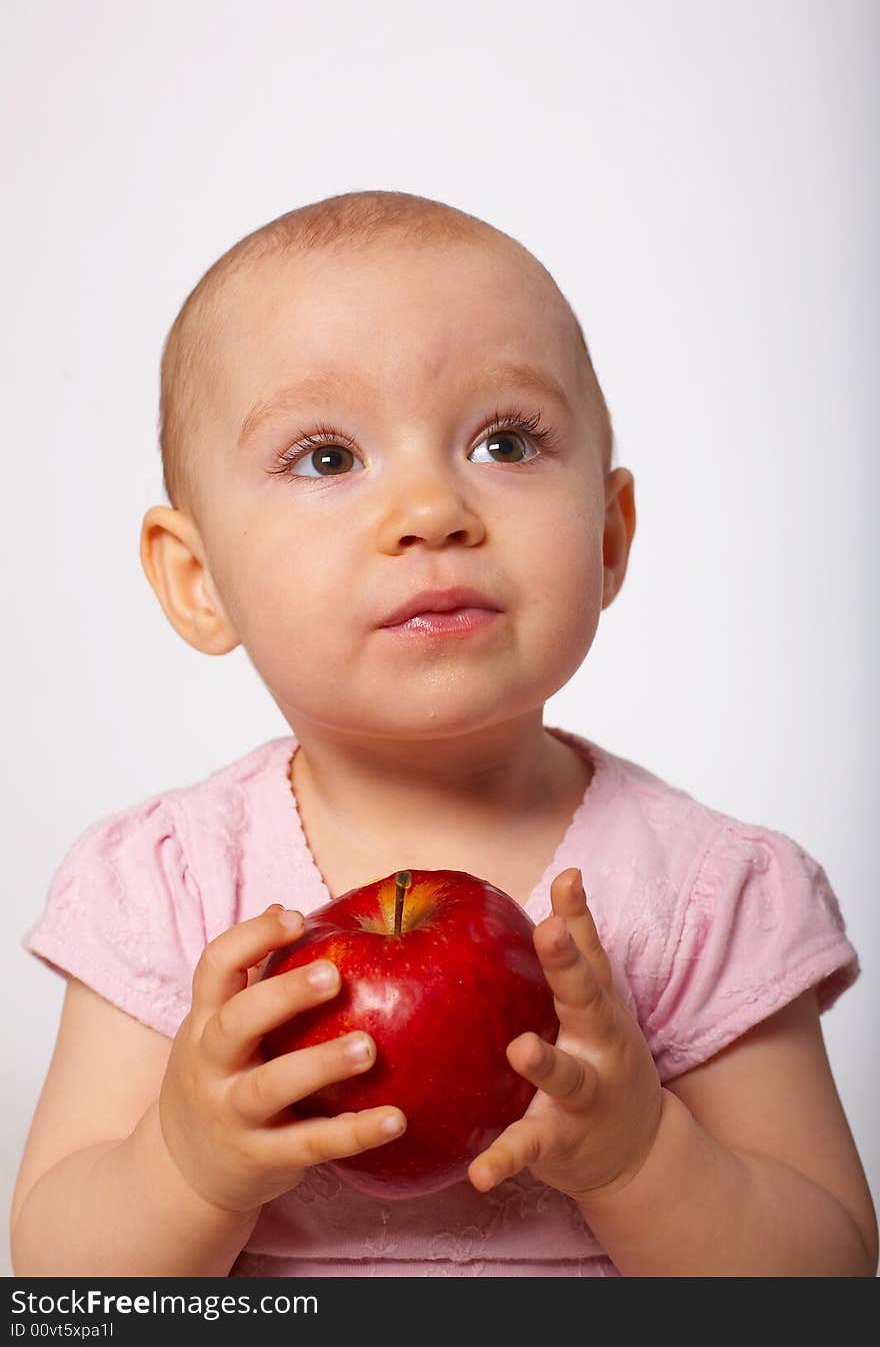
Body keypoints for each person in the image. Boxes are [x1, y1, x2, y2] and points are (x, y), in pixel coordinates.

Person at [11, 190, 877, 1278]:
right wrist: (186, 1164)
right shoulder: (172, 890)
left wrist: (639, 1154)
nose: (431, 507)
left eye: (504, 440)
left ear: (608, 539)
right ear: (197, 581)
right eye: (327, 457)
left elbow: (829, 1274)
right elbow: (61, 1285)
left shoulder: (708, 892)